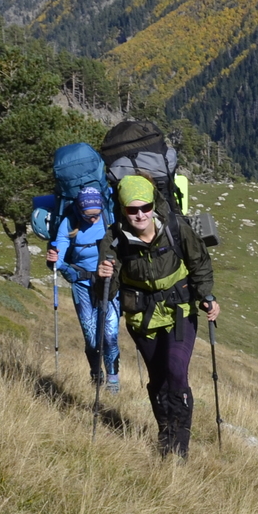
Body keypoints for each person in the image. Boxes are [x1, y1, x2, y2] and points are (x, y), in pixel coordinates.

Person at [97, 175, 218, 458]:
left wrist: (206, 298)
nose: (140, 214)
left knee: (176, 371)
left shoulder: (176, 228)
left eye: (145, 207)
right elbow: (107, 290)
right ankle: (165, 431)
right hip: (142, 319)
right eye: (132, 209)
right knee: (158, 378)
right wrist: (102, 276)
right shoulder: (114, 239)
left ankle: (179, 446)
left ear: (154, 205)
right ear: (123, 209)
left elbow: (199, 262)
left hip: (179, 311)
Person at [45, 185, 120, 392]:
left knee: (110, 335)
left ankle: (113, 381)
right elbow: (59, 252)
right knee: (91, 336)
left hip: (109, 282)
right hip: (81, 283)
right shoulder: (69, 221)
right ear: (79, 210)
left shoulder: (109, 217)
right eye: (89, 216)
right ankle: (96, 375)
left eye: (96, 215)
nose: (94, 219)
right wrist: (55, 260)